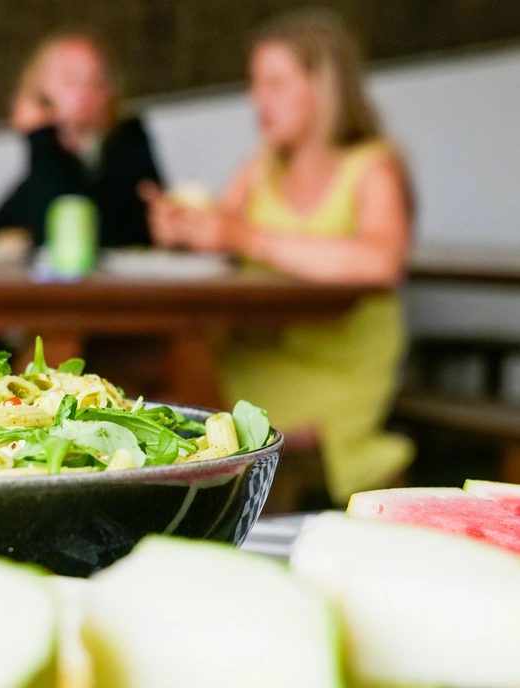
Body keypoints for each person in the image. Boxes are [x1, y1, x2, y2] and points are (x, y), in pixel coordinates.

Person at [144, 9, 414, 504]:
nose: (258, 99)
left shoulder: (373, 166)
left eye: (275, 82)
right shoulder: (262, 167)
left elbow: (381, 262)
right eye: (255, 83)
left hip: (339, 368)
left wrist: (246, 237)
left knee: (186, 386)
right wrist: (183, 229)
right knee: (167, 368)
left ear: (322, 86)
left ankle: (218, 517)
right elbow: (222, 235)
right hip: (259, 351)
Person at [0, 32, 165, 249]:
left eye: (96, 81)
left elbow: (72, 224)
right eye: (71, 79)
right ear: (37, 90)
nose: (85, 92)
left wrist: (40, 136)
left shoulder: (130, 141)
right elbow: (11, 221)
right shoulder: (53, 154)